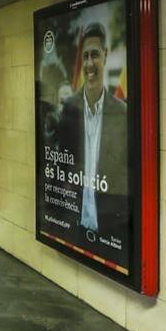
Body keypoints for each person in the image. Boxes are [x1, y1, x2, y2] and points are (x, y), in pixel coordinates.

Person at [55, 22, 128, 241]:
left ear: (105, 55)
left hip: (111, 228)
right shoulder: (69, 108)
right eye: (85, 56)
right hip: (75, 224)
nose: (89, 63)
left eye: (94, 55)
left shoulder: (122, 113)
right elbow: (62, 164)